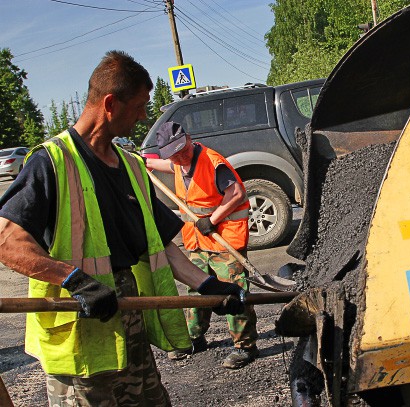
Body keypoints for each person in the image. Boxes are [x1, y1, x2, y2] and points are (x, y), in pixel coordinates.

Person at [0, 50, 245, 406]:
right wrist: (73, 280)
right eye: (140, 106)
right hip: (81, 332)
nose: (144, 117)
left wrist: (207, 285)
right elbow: (8, 242)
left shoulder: (132, 167)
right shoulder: (50, 163)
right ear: (110, 103)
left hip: (128, 320)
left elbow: (158, 246)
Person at [146, 121, 259, 369]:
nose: (180, 156)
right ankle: (196, 338)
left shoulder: (212, 161)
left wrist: (213, 219)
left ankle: (245, 346)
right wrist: (140, 161)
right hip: (197, 240)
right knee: (196, 289)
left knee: (233, 291)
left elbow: (237, 193)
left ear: (189, 138)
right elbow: (159, 164)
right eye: (174, 154)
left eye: (182, 149)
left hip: (224, 238)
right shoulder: (177, 163)